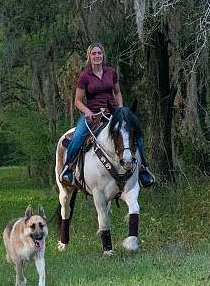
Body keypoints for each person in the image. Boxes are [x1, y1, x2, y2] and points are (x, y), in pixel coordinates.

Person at [59, 42, 154, 188]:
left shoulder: (111, 72)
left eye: (99, 53)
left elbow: (117, 92)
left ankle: (143, 170)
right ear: (89, 57)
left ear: (103, 55)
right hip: (93, 114)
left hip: (113, 113)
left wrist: (120, 110)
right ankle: (68, 169)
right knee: (77, 137)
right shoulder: (85, 76)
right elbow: (77, 101)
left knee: (136, 134)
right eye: (94, 53)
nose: (97, 56)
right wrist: (87, 112)